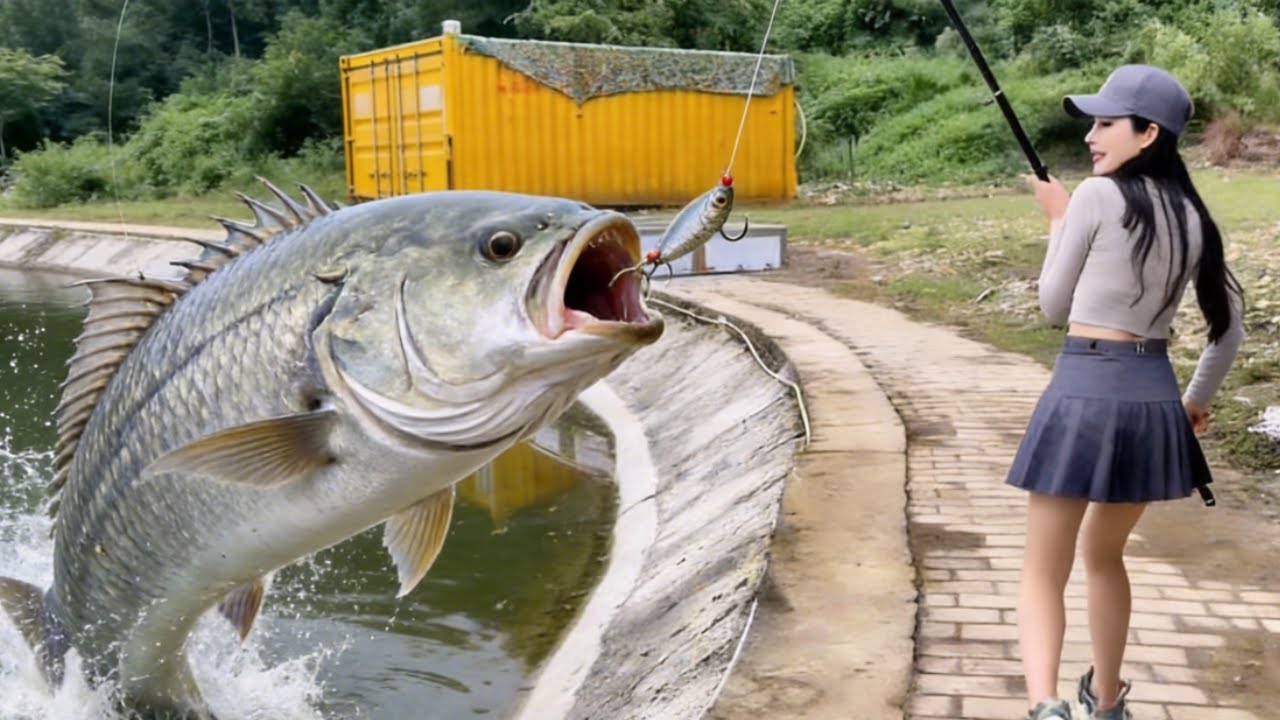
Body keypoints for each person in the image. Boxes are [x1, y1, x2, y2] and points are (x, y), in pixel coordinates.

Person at [1006, 65, 1245, 720]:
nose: (1092, 134)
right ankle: (1106, 703)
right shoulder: (1195, 216)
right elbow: (1229, 331)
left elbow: (1053, 306)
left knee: (1041, 571)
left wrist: (1058, 220)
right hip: (1153, 404)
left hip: (1083, 390)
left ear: (1147, 134)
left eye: (1107, 123)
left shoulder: (1093, 197)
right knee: (1104, 557)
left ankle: (1046, 706)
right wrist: (1193, 403)